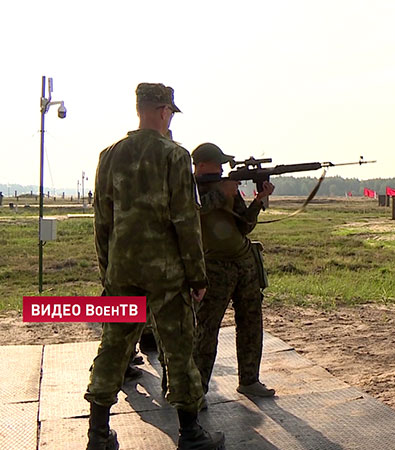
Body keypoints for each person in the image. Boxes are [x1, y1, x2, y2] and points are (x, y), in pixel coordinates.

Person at [86, 83, 224, 450]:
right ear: (164, 111)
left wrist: (108, 274)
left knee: (114, 346)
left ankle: (98, 433)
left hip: (123, 272)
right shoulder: (175, 156)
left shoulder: (109, 155)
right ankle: (191, 434)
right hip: (166, 275)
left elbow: (102, 221)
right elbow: (185, 221)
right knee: (178, 348)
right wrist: (197, 275)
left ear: (138, 110)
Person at [191, 142, 275, 404]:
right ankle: (196, 391)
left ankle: (249, 380)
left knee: (251, 322)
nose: (223, 169)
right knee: (206, 329)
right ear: (202, 165)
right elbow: (190, 210)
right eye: (218, 164)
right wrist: (220, 194)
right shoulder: (188, 187)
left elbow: (245, 226)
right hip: (213, 268)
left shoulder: (227, 187)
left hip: (244, 263)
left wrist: (258, 201)